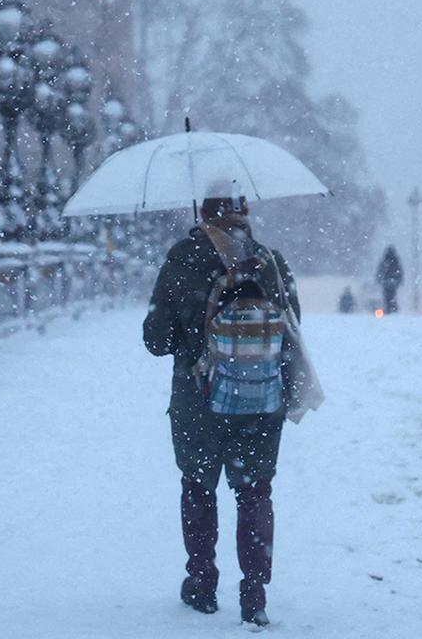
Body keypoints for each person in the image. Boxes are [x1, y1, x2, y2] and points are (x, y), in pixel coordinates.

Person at [142, 195, 303, 628]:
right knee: (254, 493)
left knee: (199, 487)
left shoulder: (182, 258)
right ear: (243, 214)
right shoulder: (269, 261)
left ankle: (202, 582)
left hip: (198, 399)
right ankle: (254, 593)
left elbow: (155, 339)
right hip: (262, 400)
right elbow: (293, 327)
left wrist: (192, 333)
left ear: (203, 214)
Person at [375, 246, 404, 314]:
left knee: (387, 296)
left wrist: (379, 279)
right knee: (392, 296)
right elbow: (399, 271)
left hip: (386, 282)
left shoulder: (385, 260)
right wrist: (400, 280)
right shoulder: (396, 260)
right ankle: (393, 308)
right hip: (393, 282)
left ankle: (388, 308)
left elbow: (380, 271)